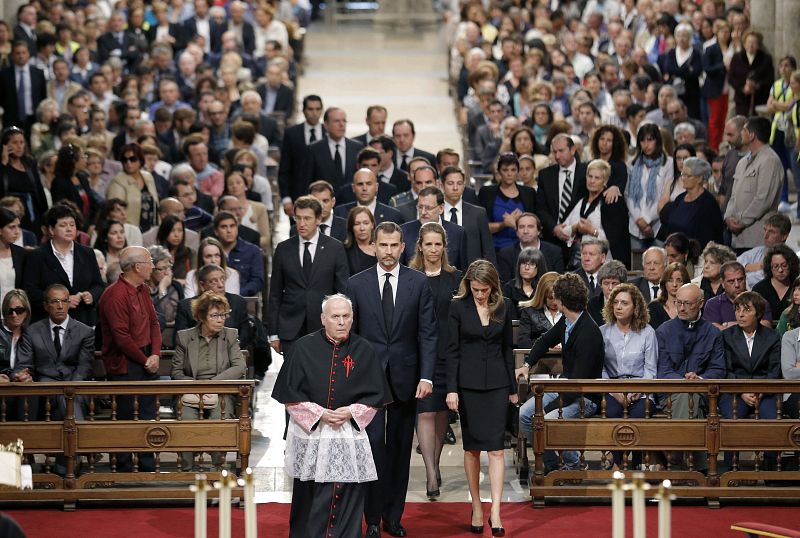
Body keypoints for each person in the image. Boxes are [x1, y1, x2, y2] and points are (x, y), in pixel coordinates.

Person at [272, 294, 391, 538]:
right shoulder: (302, 348)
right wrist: (319, 413)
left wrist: (351, 412)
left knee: (348, 490)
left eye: (346, 316)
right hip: (313, 433)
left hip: (348, 433)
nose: (341, 322)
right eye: (335, 317)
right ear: (323, 319)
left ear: (352, 318)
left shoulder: (364, 349)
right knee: (311, 492)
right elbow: (290, 396)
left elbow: (376, 398)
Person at [345, 221, 437, 537]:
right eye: (382, 245)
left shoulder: (419, 283)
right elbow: (350, 338)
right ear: (373, 246)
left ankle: (393, 517)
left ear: (402, 247)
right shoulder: (355, 285)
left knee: (399, 451)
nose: (387, 251)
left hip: (406, 379)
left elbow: (427, 334)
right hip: (368, 382)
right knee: (370, 449)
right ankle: (371, 519)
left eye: (393, 245)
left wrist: (426, 376)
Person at [445, 260, 515, 535]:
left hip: (497, 384)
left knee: (496, 449)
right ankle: (476, 505)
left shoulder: (503, 305)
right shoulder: (457, 307)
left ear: (493, 287)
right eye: (475, 289)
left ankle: (495, 511)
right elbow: (452, 351)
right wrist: (451, 389)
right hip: (468, 386)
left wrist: (511, 389)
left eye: (484, 289)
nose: (480, 294)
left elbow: (507, 350)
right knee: (472, 449)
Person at [517, 272, 605, 472]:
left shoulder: (588, 333)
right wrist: (527, 364)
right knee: (524, 414)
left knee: (546, 420)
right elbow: (544, 341)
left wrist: (549, 405)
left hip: (585, 396)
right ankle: (552, 464)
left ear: (562, 301)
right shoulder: (566, 321)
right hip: (565, 386)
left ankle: (573, 465)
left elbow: (579, 383)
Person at [14, 283, 94, 472]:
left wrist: (69, 390)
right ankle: (81, 449)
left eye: (64, 301)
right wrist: (22, 374)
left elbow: (84, 368)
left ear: (69, 304)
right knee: (62, 397)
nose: (60, 306)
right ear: (45, 306)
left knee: (65, 400)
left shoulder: (84, 331)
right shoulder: (32, 331)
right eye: (54, 301)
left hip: (76, 386)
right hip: (44, 387)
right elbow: (23, 364)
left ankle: (64, 465)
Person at [408, 222, 462, 499]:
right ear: (420, 246)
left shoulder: (456, 278)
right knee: (425, 411)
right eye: (428, 244)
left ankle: (435, 462)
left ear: (444, 247)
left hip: (448, 355)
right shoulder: (409, 276)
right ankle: (430, 474)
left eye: (437, 244)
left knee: (442, 413)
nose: (432, 249)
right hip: (418, 355)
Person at [98, 246, 162, 472]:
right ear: (137, 267)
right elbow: (121, 338)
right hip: (124, 364)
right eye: (149, 261)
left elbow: (154, 323)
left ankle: (146, 465)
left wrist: (155, 354)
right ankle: (123, 467)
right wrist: (146, 359)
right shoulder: (114, 295)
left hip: (145, 358)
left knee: (147, 414)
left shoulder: (143, 289)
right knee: (125, 417)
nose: (153, 266)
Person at [171, 291, 246, 471]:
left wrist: (213, 384)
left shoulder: (229, 335)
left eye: (223, 315)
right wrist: (196, 387)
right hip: (191, 390)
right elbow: (176, 372)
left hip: (220, 390)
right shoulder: (185, 337)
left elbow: (239, 366)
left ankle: (217, 468)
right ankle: (187, 469)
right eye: (215, 315)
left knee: (219, 419)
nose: (220, 320)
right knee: (186, 418)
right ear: (201, 317)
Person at [656, 283, 726, 470]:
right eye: (678, 302)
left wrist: (699, 380)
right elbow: (662, 370)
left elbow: (718, 369)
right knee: (689, 399)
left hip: (703, 391)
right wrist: (684, 383)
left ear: (701, 303)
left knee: (693, 397)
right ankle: (700, 469)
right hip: (670, 393)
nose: (681, 308)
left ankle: (675, 461)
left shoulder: (712, 333)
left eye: (687, 303)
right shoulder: (664, 330)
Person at [268, 196, 349, 358]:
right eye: (298, 218)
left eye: (307, 218)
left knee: (322, 376)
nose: (302, 223)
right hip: (290, 328)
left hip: (324, 326)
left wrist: (343, 327)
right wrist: (274, 334)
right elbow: (275, 294)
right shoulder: (283, 249)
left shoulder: (335, 248)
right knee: (294, 378)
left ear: (318, 219)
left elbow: (342, 292)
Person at [599, 283, 657, 470]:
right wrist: (615, 391)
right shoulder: (603, 332)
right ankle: (619, 463)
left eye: (624, 303)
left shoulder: (647, 332)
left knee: (639, 414)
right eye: (615, 302)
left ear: (636, 307)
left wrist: (636, 391)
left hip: (641, 388)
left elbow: (650, 370)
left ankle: (620, 461)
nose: (618, 307)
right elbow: (600, 369)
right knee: (613, 412)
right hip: (611, 387)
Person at [23, 205, 105, 327]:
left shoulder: (87, 253)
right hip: (48, 323)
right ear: (51, 230)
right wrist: (61, 301)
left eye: (72, 225)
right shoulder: (37, 256)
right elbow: (31, 290)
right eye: (63, 225)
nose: (69, 229)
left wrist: (92, 295)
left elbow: (98, 284)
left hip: (83, 321)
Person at [724, 117, 783, 252]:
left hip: (757, 239)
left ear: (752, 135)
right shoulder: (742, 162)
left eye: (744, 130)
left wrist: (741, 221)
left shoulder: (770, 160)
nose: (741, 134)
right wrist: (727, 217)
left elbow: (763, 199)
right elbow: (733, 196)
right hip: (737, 238)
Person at [720, 291, 781, 423]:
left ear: (758, 313)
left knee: (773, 418)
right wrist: (742, 392)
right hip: (734, 391)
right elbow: (726, 371)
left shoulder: (772, 337)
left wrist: (759, 392)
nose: (740, 314)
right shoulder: (726, 336)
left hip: (765, 392)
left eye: (746, 310)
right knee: (732, 417)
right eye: (737, 310)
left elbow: (774, 371)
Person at [559, 159, 630, 268]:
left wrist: (592, 231)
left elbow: (616, 239)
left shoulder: (612, 201)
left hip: (604, 261)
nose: (592, 181)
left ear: (605, 181)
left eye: (597, 178)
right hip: (577, 259)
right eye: (590, 176)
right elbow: (563, 231)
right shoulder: (579, 199)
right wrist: (576, 227)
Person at [175, 264, 249, 348]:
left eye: (222, 279)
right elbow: (181, 338)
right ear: (202, 285)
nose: (221, 285)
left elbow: (245, 334)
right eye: (214, 281)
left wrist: (229, 349)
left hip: (230, 353)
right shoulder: (186, 306)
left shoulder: (238, 302)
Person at [625, 123, 673, 250]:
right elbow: (628, 195)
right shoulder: (632, 164)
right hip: (635, 227)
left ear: (657, 141)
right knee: (636, 267)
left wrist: (647, 220)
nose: (646, 144)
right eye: (642, 140)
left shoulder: (668, 163)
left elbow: (664, 195)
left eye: (650, 139)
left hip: (657, 225)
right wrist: (639, 220)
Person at [478, 152, 537, 251]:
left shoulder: (529, 193)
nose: (509, 174)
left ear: (518, 171)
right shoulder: (487, 193)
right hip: (495, 249)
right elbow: (481, 227)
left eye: (513, 170)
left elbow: (536, 225)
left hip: (524, 250)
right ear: (499, 171)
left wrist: (517, 223)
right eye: (505, 170)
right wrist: (504, 224)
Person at [660, 157, 724, 249]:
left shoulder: (708, 204)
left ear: (699, 178)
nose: (683, 178)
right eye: (682, 174)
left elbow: (711, 239)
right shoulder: (680, 198)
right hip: (673, 254)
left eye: (687, 176)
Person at [400, 186, 467, 271]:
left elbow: (463, 271)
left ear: (441, 208)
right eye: (420, 207)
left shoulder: (458, 233)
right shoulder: (404, 231)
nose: (423, 212)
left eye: (428, 208)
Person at [440, 166, 496, 265]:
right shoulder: (436, 213)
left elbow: (488, 251)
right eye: (450, 183)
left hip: (472, 274)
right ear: (442, 186)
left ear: (464, 186)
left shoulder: (478, 213)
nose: (455, 188)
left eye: (459, 183)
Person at [0, 126, 48, 235]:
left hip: (33, 212)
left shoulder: (30, 162)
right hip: (10, 213)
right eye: (15, 142)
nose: (19, 146)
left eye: (22, 142)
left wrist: (45, 217)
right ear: (5, 145)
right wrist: (3, 163)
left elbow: (39, 190)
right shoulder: (2, 165)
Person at [704, 261, 773, 330]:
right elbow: (713, 331)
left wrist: (727, 325)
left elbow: (766, 327)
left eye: (740, 280)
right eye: (731, 281)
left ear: (745, 279)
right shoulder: (712, 304)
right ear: (722, 283)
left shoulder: (760, 302)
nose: (737, 285)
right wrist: (750, 324)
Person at [496, 212, 564, 283]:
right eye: (521, 227)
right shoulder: (505, 254)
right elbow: (505, 285)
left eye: (530, 226)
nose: (525, 231)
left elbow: (558, 283)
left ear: (539, 231)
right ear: (517, 232)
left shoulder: (555, 252)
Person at [106, 143, 159, 231]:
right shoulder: (117, 181)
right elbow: (115, 214)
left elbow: (156, 204)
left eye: (132, 159)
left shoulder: (148, 177)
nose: (128, 163)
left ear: (140, 160)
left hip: (152, 229)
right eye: (124, 160)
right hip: (129, 231)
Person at [211, 211, 264, 297]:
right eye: (224, 227)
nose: (229, 231)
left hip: (243, 300)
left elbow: (257, 281)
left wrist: (236, 295)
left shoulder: (252, 251)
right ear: (216, 231)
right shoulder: (210, 252)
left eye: (232, 226)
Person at [0, 289, 34, 420]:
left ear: (26, 312)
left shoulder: (31, 335)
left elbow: (31, 365)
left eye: (19, 310)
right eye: (10, 311)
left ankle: (27, 437)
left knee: (30, 395)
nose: (14, 315)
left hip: (19, 385)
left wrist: (21, 376)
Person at [50, 143, 99, 230]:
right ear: (73, 161)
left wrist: (92, 224)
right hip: (72, 228)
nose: (85, 160)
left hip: (89, 225)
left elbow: (92, 202)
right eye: (83, 157)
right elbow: (63, 210)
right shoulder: (59, 183)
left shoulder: (82, 177)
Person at [737, 213, 791, 289]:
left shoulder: (786, 258)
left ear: (784, 237)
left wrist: (741, 273)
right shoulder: (758, 251)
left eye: (772, 232)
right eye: (765, 230)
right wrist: (748, 267)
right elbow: (733, 264)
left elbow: (758, 279)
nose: (765, 235)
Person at [727, 30, 774, 117]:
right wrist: (743, 88)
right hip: (741, 100)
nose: (751, 45)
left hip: (759, 100)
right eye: (748, 42)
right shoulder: (737, 57)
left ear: (758, 45)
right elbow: (731, 78)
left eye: (754, 42)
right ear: (744, 44)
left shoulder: (766, 59)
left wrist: (756, 86)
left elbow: (769, 79)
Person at [223, 170, 271, 251]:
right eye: (230, 184)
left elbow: (266, 238)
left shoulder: (259, 208)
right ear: (227, 189)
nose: (234, 186)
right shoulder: (221, 208)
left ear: (246, 186)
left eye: (238, 183)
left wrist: (247, 244)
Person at [753, 244, 800, 320]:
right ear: (769, 267)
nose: (780, 270)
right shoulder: (759, 289)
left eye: (784, 265)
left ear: (791, 264)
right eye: (776, 266)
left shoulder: (797, 285)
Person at [517, 272, 562, 349]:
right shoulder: (529, 312)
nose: (554, 302)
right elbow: (523, 343)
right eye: (550, 298)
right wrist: (548, 345)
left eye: (557, 297)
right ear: (542, 295)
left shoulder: (569, 311)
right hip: (541, 358)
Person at [503, 247, 546, 319]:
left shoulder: (544, 288)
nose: (526, 268)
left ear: (539, 267)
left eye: (532, 264)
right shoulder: (509, 288)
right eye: (523, 263)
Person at [147, 245, 184, 327]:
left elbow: (169, 316)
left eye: (169, 267)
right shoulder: (141, 289)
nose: (167, 273)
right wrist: (162, 289)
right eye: (163, 268)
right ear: (150, 269)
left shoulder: (175, 287)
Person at [648, 262, 691, 330]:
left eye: (679, 280)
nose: (674, 285)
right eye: (670, 280)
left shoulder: (692, 307)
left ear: (685, 283)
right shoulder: (653, 307)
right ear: (664, 283)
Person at [587, 260, 628, 326]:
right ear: (601, 284)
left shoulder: (630, 304)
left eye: (614, 283)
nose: (610, 288)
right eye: (606, 283)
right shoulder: (592, 305)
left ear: (622, 284)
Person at [156, 215, 194, 283]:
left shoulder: (190, 253)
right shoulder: (155, 254)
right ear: (164, 232)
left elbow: (194, 280)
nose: (176, 235)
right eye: (172, 231)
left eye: (180, 230)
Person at [0, 208, 27, 305]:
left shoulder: (21, 254)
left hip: (16, 313)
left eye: (18, 226)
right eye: (12, 227)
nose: (17, 232)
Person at [342, 205, 377, 276]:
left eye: (366, 223)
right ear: (351, 227)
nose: (362, 228)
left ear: (372, 225)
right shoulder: (344, 251)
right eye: (357, 224)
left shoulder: (384, 247)